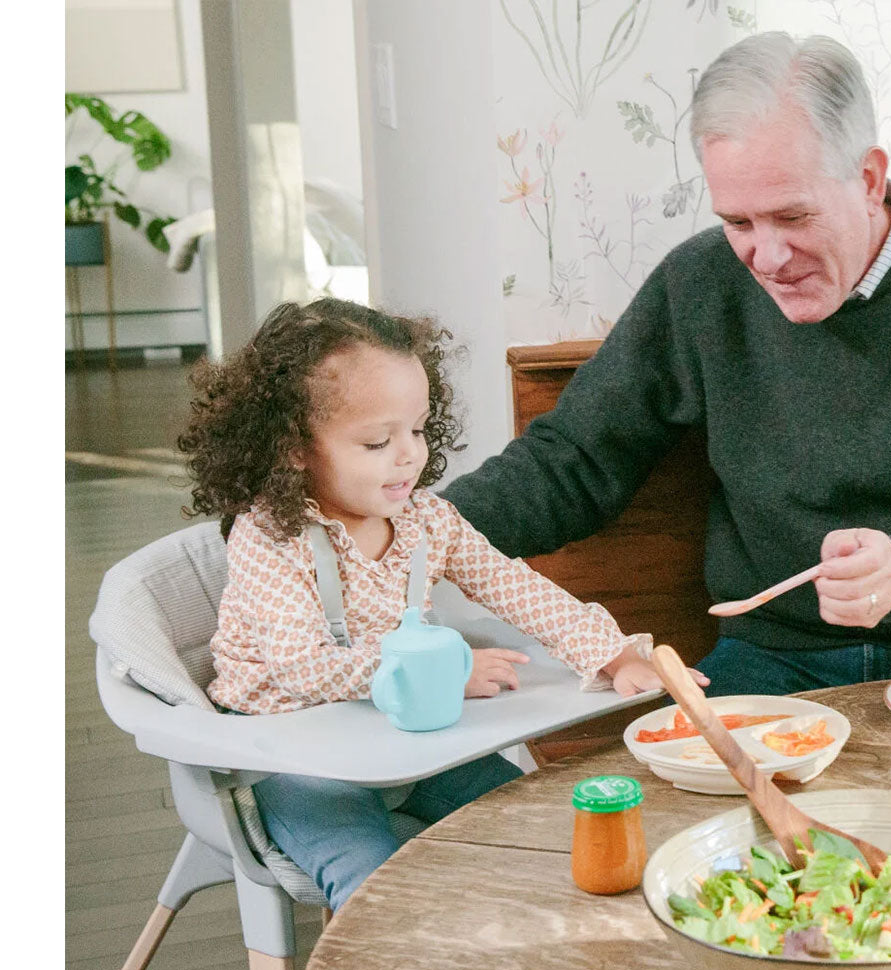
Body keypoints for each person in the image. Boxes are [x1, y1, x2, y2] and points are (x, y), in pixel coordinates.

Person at [444, 31, 891, 696]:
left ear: (868, 179)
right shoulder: (700, 281)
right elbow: (573, 462)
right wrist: (412, 532)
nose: (767, 258)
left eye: (792, 216)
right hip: (772, 658)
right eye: (739, 223)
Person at [177, 296, 678, 911]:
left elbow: (514, 587)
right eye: (376, 441)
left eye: (416, 429)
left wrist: (613, 655)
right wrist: (444, 673)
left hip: (402, 735)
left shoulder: (427, 522)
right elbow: (299, 667)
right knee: (369, 878)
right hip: (293, 750)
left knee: (532, 824)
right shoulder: (271, 537)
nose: (409, 455)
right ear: (294, 448)